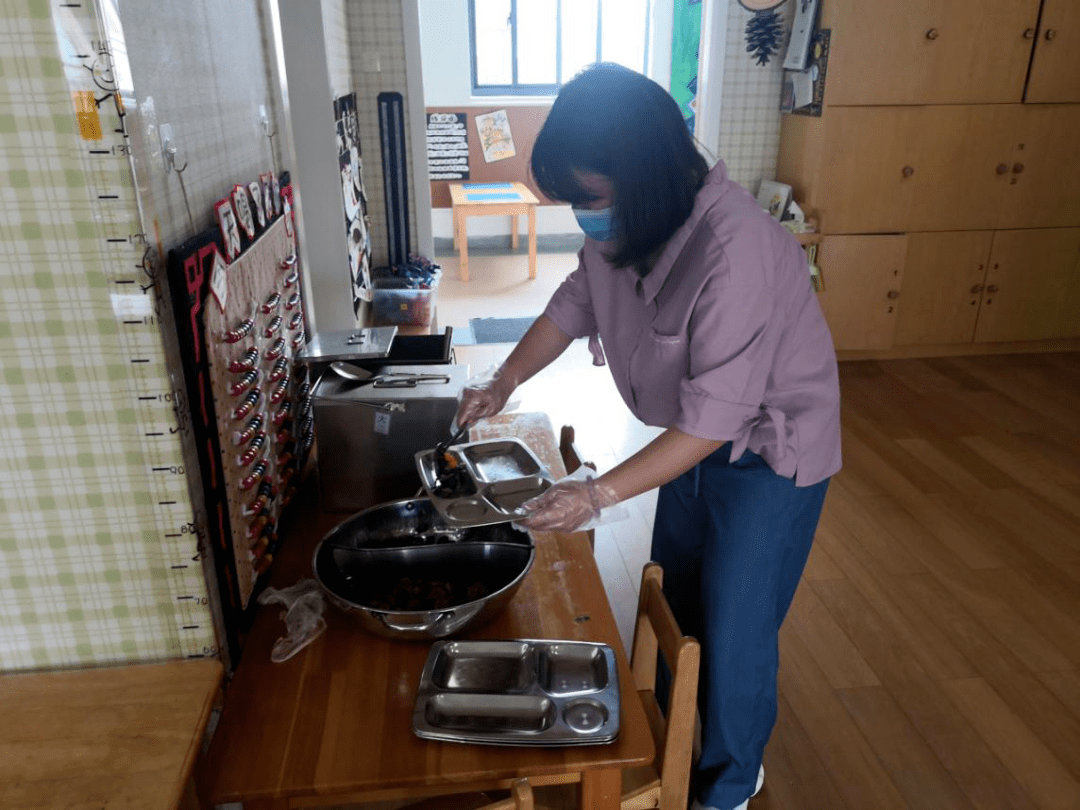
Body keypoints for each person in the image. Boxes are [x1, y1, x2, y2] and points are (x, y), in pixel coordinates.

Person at [454, 63, 841, 810]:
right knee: (677, 591)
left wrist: (594, 493)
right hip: (691, 441)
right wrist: (501, 384)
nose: (585, 218)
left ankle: (731, 779)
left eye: (590, 198)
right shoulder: (634, 222)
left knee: (736, 624)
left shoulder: (737, 252)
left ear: (647, 175)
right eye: (575, 200)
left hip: (769, 452)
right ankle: (667, 729)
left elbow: (717, 417)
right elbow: (573, 307)